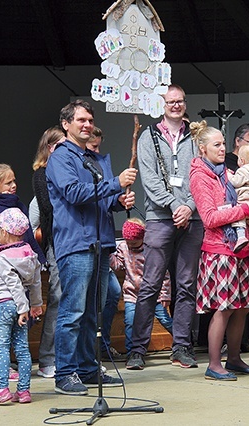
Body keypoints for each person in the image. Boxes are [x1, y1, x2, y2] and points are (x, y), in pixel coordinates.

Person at [46, 99, 136, 395]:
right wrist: (114, 184)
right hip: (76, 242)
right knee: (72, 311)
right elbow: (72, 192)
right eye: (81, 120)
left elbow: (100, 199)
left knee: (91, 313)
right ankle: (65, 373)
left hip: (100, 241)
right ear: (66, 124)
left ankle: (86, 369)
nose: (86, 124)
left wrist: (118, 200)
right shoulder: (61, 156)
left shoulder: (91, 158)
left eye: (89, 120)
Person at [126, 84, 203, 371]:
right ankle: (137, 349)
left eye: (180, 101)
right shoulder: (148, 136)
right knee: (150, 285)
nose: (176, 105)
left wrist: (190, 207)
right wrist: (174, 205)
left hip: (192, 220)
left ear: (185, 103)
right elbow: (149, 178)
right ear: (162, 105)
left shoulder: (196, 137)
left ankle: (182, 346)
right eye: (170, 101)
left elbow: (203, 176)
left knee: (186, 285)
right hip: (160, 218)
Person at [189, 120, 249, 381]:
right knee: (224, 308)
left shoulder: (224, 172)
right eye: (217, 144)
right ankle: (213, 364)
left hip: (238, 249)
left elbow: (243, 198)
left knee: (242, 307)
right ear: (202, 149)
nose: (223, 149)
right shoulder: (200, 177)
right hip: (220, 250)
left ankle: (233, 358)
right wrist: (245, 210)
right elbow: (209, 218)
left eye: (223, 144)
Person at [0, 163, 45, 386]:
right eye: (8, 182)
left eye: (14, 181)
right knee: (0, 319)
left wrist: (36, 261)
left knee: (22, 319)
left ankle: (0, 363)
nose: (13, 185)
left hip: (21, 276)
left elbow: (28, 239)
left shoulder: (20, 206)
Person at [0, 208, 43, 406]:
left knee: (1, 348)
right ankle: (24, 390)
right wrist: (35, 304)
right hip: (20, 307)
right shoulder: (31, 255)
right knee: (23, 349)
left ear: (7, 233)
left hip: (4, 306)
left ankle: (1, 389)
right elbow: (35, 282)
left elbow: (13, 285)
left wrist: (23, 307)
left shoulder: (4, 258)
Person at [84, 126, 125, 362]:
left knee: (105, 297)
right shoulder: (80, 163)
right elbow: (80, 194)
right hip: (84, 241)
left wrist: (120, 201)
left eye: (99, 145)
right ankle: (82, 358)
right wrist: (115, 184)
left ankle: (100, 349)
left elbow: (106, 201)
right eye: (93, 146)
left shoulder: (102, 163)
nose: (97, 150)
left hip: (104, 238)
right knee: (83, 306)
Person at [110, 218, 173, 353]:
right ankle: (131, 352)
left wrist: (164, 294)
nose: (131, 246)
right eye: (128, 243)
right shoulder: (123, 247)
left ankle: (182, 343)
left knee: (164, 319)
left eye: (134, 243)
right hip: (132, 293)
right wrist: (109, 254)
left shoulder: (150, 249)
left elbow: (163, 274)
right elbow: (118, 265)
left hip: (152, 294)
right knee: (130, 322)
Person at [31, 126, 64, 378]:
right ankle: (47, 359)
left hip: (77, 241)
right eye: (61, 144)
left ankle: (75, 358)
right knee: (58, 297)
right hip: (58, 241)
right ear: (50, 147)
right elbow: (48, 210)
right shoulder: (41, 174)